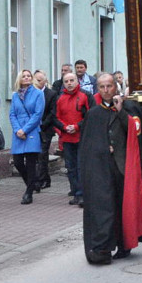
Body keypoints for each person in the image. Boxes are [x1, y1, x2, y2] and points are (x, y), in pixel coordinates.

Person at [80, 73, 142, 264]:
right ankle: (104, 246)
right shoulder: (93, 114)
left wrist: (120, 111)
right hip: (102, 168)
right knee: (106, 207)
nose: (105, 90)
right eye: (101, 87)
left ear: (115, 87)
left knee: (123, 205)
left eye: (109, 86)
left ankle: (124, 244)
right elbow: (87, 144)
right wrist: (103, 148)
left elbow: (135, 132)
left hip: (123, 166)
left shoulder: (128, 108)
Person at [9, 69, 44, 204]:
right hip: (18, 132)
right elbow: (12, 114)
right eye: (24, 76)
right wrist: (18, 130)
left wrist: (25, 130)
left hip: (32, 131)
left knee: (30, 163)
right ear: (19, 79)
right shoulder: (15, 96)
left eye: (29, 76)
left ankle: (28, 193)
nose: (27, 78)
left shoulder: (38, 94)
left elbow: (38, 114)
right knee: (18, 162)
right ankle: (32, 182)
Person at [56, 71, 90, 206]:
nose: (69, 84)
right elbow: (56, 117)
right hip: (67, 138)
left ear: (77, 81)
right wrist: (64, 128)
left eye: (72, 80)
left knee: (81, 167)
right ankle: (75, 192)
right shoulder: (60, 98)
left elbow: (89, 116)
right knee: (70, 168)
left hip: (81, 137)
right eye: (66, 81)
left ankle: (82, 194)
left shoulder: (85, 96)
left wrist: (76, 127)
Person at [33, 70, 58, 192]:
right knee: (36, 155)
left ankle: (41, 180)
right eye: (35, 80)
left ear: (45, 81)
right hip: (32, 129)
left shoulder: (51, 94)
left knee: (42, 154)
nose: (36, 83)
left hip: (45, 129)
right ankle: (45, 179)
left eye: (39, 80)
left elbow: (53, 112)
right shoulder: (31, 94)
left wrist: (42, 124)